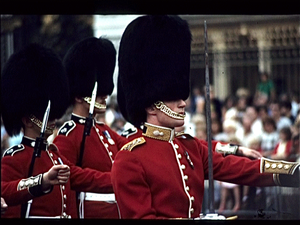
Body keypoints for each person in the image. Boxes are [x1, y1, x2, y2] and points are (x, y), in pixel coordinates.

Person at [110, 15, 300, 219]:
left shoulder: (189, 148)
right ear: (151, 106)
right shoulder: (129, 159)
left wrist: (294, 172)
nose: (183, 102)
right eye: (174, 98)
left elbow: (242, 169)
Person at [1, 43, 116, 218]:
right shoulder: (14, 158)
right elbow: (5, 193)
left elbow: (86, 179)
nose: (53, 119)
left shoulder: (55, 157)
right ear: (27, 120)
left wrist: (123, 178)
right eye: (46, 114)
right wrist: (42, 181)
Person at [53, 37, 128, 219]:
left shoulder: (105, 131)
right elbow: (67, 173)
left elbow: (130, 149)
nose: (105, 96)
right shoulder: (68, 134)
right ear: (79, 96)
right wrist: (113, 180)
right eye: (99, 92)